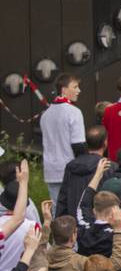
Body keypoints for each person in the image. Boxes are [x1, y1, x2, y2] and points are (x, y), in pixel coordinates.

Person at [39, 73, 86, 208]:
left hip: (51, 170)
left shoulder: (46, 114)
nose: (79, 90)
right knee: (74, 209)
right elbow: (79, 146)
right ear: (64, 90)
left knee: (56, 210)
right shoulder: (74, 112)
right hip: (70, 169)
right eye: (75, 87)